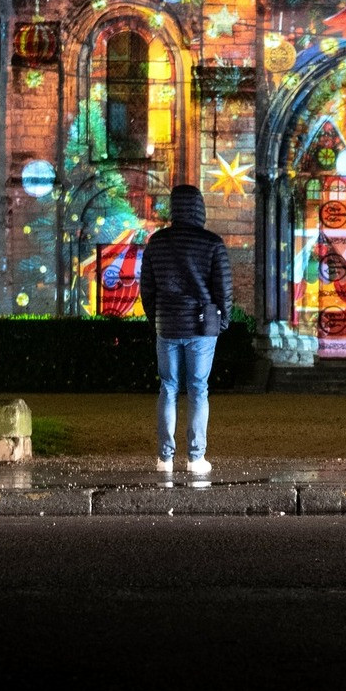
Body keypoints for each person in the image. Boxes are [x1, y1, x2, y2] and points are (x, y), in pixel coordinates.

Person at [139, 183, 232, 477]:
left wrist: (155, 317)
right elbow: (224, 289)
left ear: (173, 208)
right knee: (198, 389)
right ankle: (196, 457)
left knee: (167, 387)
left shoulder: (157, 242)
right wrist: (224, 320)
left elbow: (147, 289)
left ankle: (165, 457)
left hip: (167, 323)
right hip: (202, 326)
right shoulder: (212, 243)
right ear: (200, 208)